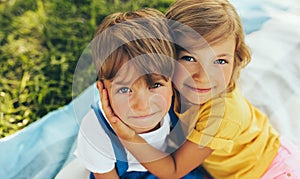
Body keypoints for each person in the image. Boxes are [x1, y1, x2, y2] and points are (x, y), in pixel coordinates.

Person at [98, 0, 300, 178]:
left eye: (220, 61)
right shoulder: (168, 84)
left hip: (271, 170)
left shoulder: (221, 115)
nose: (203, 77)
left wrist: (128, 136)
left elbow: (173, 170)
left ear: (236, 58)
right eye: (189, 58)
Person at [75, 8, 206, 179]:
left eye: (155, 85)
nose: (142, 105)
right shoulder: (96, 131)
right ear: (102, 89)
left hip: (167, 167)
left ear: (172, 82)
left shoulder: (178, 102)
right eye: (124, 89)